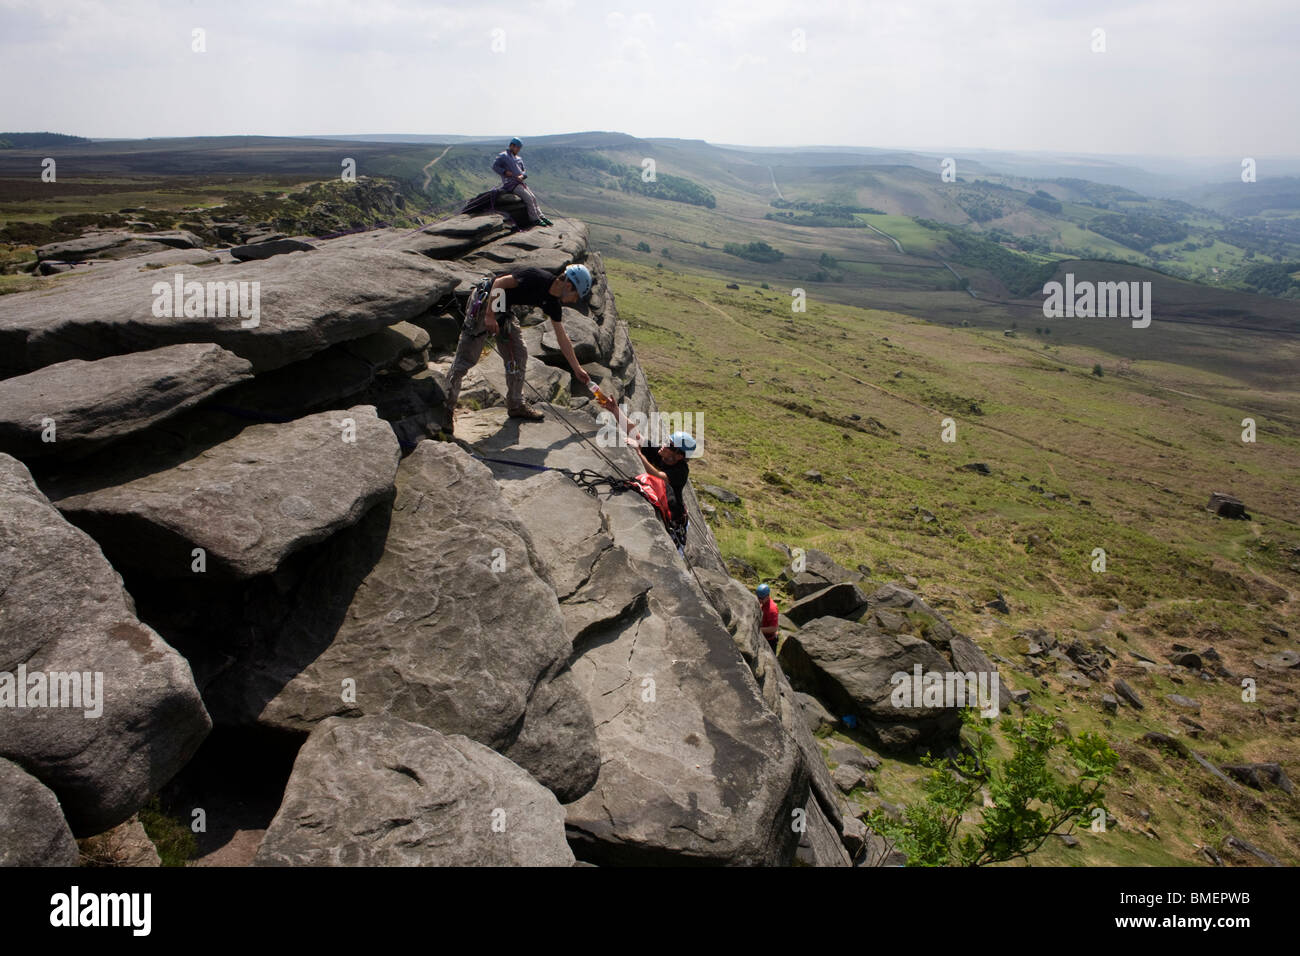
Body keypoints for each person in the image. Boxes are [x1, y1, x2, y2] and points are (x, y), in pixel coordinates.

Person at [443, 263, 593, 430]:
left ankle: (515, 405)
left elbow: (562, 338)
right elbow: (499, 283)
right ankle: (445, 409)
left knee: (518, 354)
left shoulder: (553, 303)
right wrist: (490, 315)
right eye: (576, 295)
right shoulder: (535, 277)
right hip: (487, 301)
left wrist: (577, 368)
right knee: (465, 360)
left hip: (503, 308)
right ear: (569, 285)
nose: (574, 300)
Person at [491, 137, 548, 228]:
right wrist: (505, 172)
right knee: (528, 198)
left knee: (533, 197)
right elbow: (495, 166)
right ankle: (534, 219)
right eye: (517, 147)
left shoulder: (518, 158)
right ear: (511, 146)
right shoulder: (503, 156)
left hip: (519, 182)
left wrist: (522, 176)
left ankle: (541, 216)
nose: (518, 150)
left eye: (519, 148)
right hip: (510, 184)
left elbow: (523, 171)